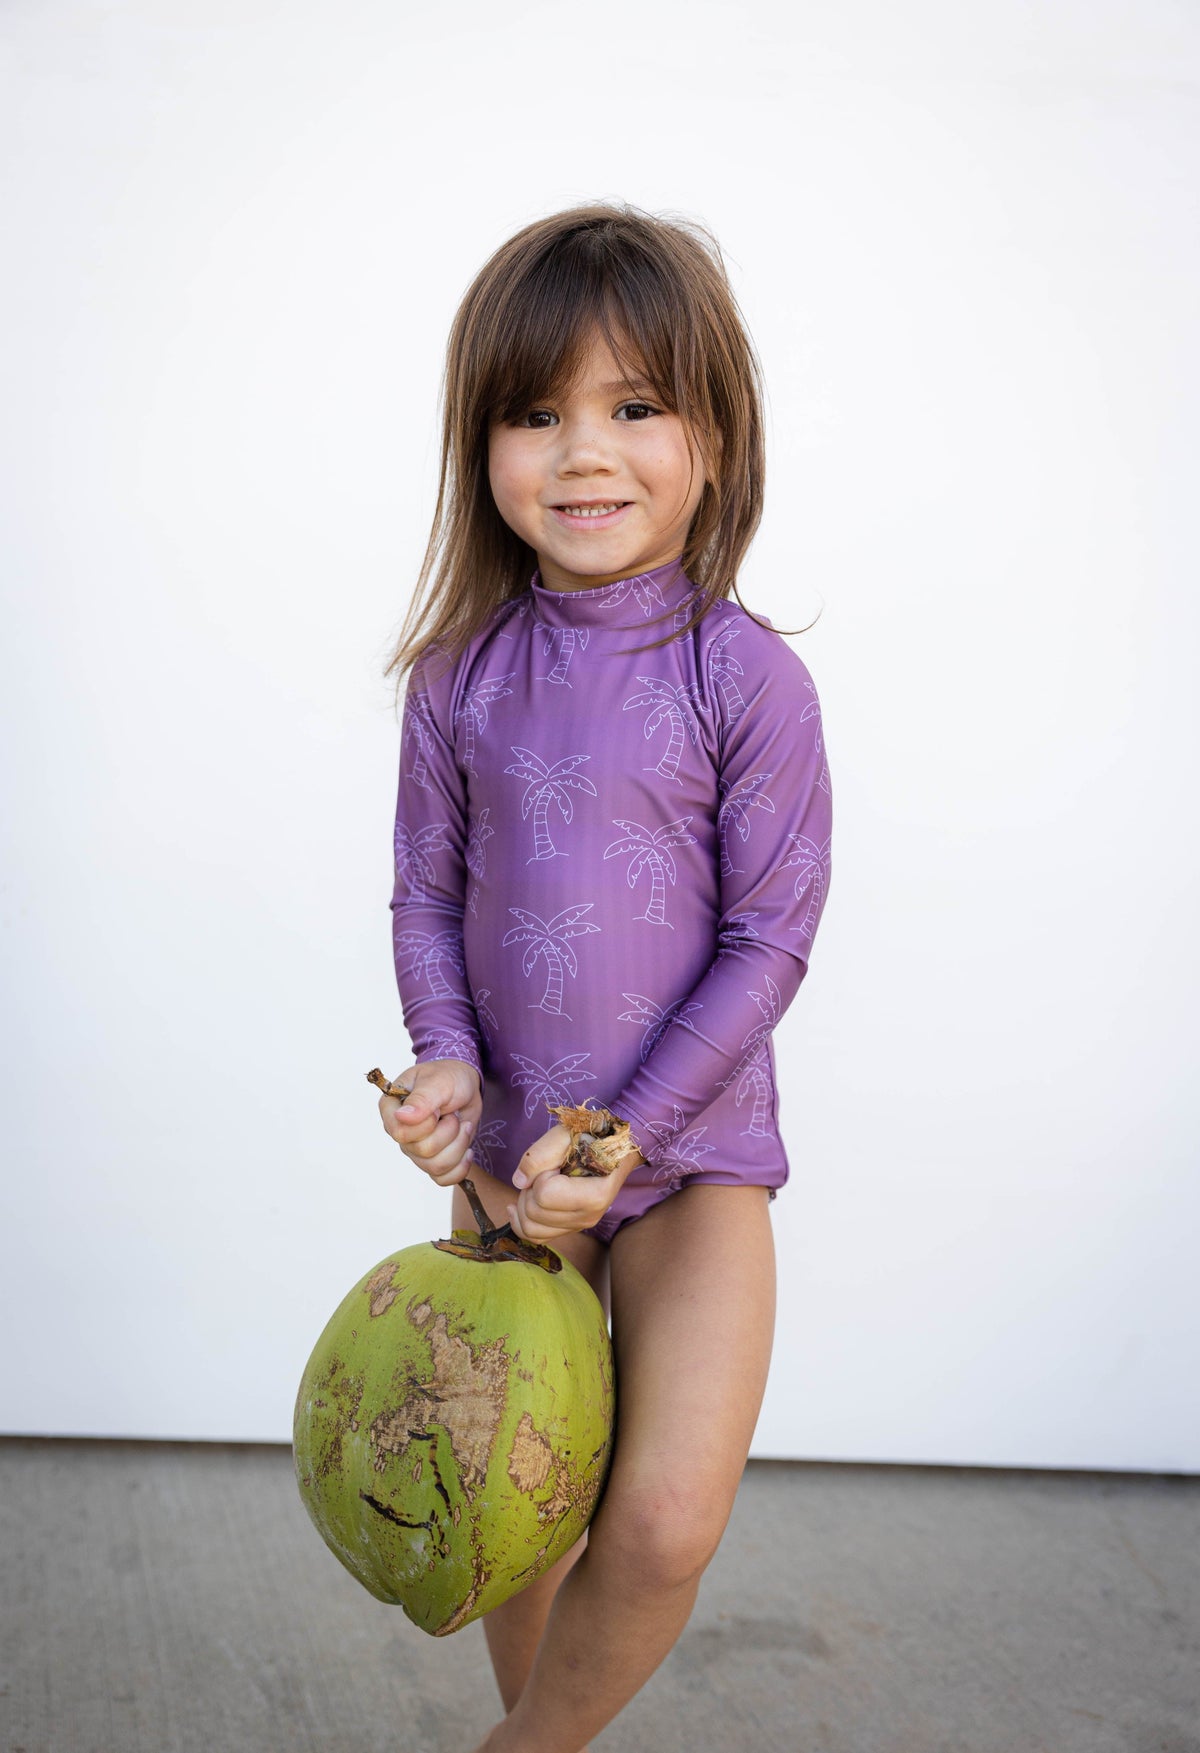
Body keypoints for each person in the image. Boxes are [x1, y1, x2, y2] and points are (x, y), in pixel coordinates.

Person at [376, 202, 833, 1753]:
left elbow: (768, 935)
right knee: (525, 1517)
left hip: (693, 1167)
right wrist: (444, 1059)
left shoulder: (746, 675)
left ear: (714, 433)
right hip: (514, 1170)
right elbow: (427, 895)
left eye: (634, 406)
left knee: (658, 1523)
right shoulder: (460, 678)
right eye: (535, 412)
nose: (584, 452)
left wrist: (628, 1129)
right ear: (480, 445)